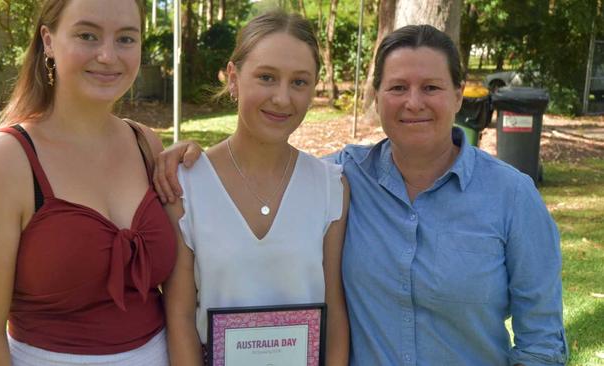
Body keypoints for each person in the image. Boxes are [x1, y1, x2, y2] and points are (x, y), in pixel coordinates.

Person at [155, 24, 567, 365]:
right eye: (398, 87)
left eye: (431, 87)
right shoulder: (345, 176)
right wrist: (181, 153)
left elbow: (542, 343)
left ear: (459, 95)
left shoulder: (512, 197)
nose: (413, 102)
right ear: (376, 95)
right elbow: (268, 162)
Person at [0, 0, 176, 365]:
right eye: (87, 35)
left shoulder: (145, 144)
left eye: (126, 39)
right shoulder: (5, 161)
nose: (108, 55)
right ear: (49, 40)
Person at [162, 11, 349, 365]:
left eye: (299, 82)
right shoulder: (184, 187)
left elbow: (335, 312)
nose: (282, 98)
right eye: (266, 77)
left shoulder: (330, 186)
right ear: (233, 78)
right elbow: (181, 317)